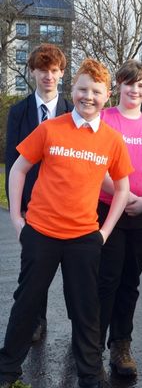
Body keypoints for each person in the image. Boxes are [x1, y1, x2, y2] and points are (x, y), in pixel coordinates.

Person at [0, 58, 133, 388]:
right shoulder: (50, 128)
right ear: (72, 89)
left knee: (86, 310)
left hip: (84, 238)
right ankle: (6, 372)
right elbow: (18, 170)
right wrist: (17, 218)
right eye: (83, 89)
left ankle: (90, 376)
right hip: (41, 233)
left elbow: (123, 188)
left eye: (97, 91)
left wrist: (104, 232)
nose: (89, 96)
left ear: (108, 97)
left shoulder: (112, 140)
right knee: (26, 305)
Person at [97, 59, 142, 377]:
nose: (135, 89)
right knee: (106, 280)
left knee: (130, 282)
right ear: (120, 86)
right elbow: (95, 163)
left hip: (140, 214)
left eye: (141, 85)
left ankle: (121, 346)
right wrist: (121, 195)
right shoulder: (104, 119)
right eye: (130, 83)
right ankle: (91, 344)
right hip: (105, 209)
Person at [4, 43, 73, 342]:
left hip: (69, 201)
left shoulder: (72, 110)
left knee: (75, 269)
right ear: (32, 71)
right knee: (34, 266)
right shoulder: (19, 112)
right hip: (34, 203)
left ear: (62, 73)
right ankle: (36, 320)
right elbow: (12, 161)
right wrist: (15, 210)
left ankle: (80, 327)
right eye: (43, 70)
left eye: (55, 71)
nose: (49, 76)